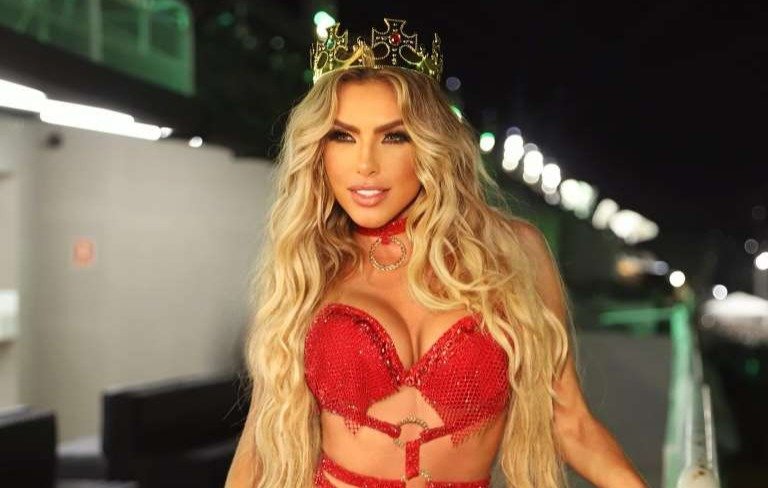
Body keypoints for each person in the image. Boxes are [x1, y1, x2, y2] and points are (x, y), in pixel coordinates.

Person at [225, 18, 647, 488]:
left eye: (394, 136)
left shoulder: (512, 251)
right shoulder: (309, 262)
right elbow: (261, 435)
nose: (365, 164)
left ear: (430, 146)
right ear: (318, 150)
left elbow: (571, 424)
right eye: (342, 136)